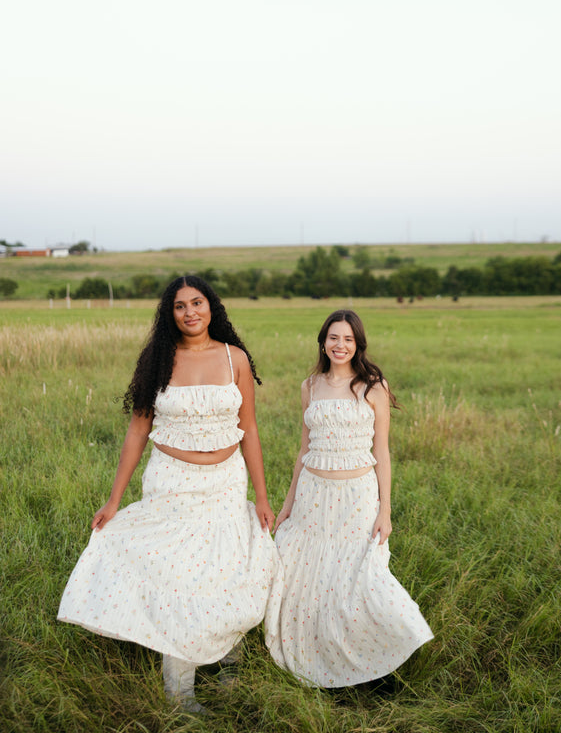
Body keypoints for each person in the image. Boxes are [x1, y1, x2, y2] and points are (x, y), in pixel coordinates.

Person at [58, 275, 282, 713]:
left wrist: (262, 496)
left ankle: (227, 663)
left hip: (225, 483)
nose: (190, 312)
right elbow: (138, 429)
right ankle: (179, 691)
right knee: (183, 578)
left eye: (197, 303)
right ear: (170, 314)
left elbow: (249, 429)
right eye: (180, 306)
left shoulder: (234, 358)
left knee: (228, 568)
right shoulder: (158, 359)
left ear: (211, 306)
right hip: (172, 482)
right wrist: (113, 498)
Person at [265, 309, 433, 688]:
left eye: (348, 339)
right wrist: (289, 503)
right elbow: (303, 449)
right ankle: (318, 660)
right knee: (308, 576)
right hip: (313, 495)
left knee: (357, 578)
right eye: (333, 338)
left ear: (357, 345)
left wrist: (384, 510)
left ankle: (372, 668)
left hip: (356, 496)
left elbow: (383, 453)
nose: (340, 345)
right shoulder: (310, 385)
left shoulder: (373, 386)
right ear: (323, 341)